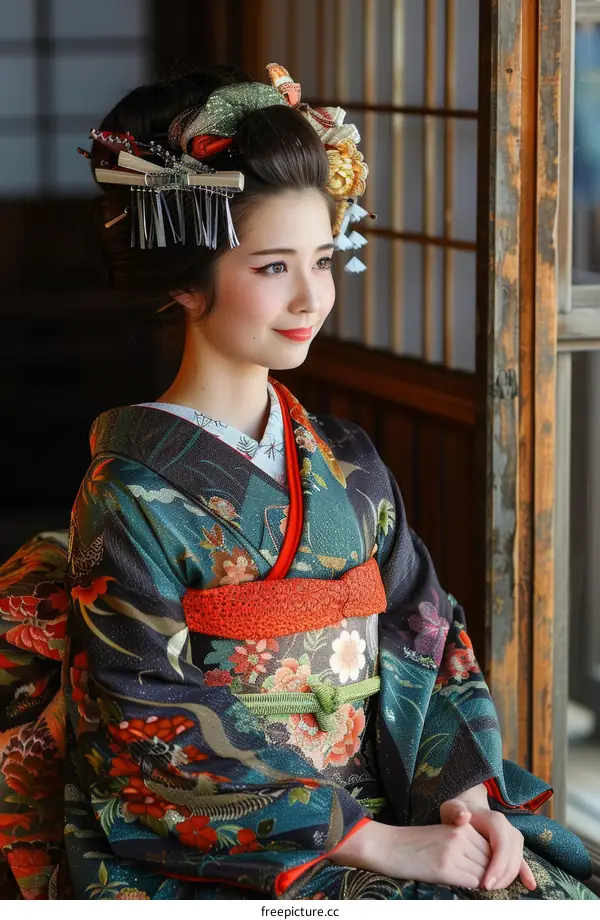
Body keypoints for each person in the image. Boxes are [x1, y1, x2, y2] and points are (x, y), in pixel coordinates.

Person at [0, 63, 597, 901]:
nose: (311, 296)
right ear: (183, 279)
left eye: (323, 259)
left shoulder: (347, 461)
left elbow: (425, 637)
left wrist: (459, 802)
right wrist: (374, 843)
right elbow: (142, 729)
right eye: (273, 266)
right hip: (242, 845)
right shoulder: (128, 494)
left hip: (392, 800)